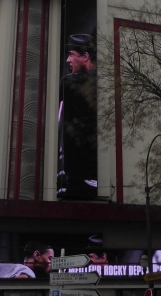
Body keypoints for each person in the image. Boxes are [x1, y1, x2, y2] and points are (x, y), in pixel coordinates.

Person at [57, 34, 98, 199]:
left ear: (85, 56)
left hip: (77, 176)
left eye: (72, 54)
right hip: (99, 175)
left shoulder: (69, 83)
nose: (68, 60)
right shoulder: (104, 83)